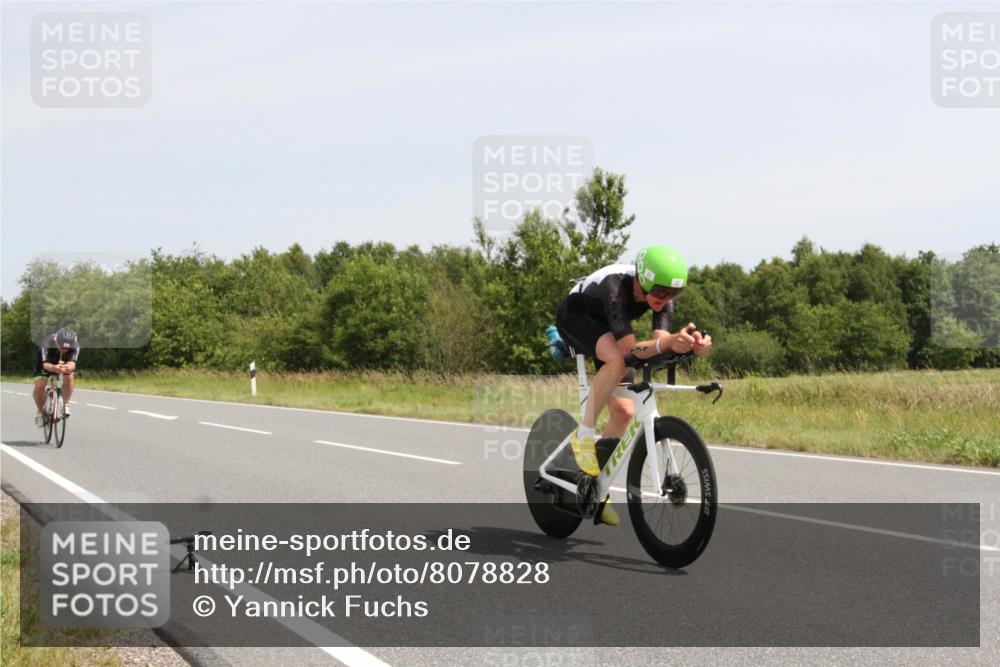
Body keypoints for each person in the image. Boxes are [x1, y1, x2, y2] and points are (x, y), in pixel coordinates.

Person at [555, 245, 712, 525]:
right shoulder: (616, 285)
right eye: (661, 291)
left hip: (610, 326)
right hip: (577, 317)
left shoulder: (661, 298)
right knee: (618, 361)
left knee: (624, 412)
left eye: (673, 293)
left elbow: (660, 344)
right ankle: (584, 435)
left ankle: (595, 487)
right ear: (644, 279)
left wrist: (690, 347)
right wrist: (666, 342)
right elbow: (629, 351)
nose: (666, 299)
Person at [33, 327, 79, 427]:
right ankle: (40, 412)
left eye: (67, 348)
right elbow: (45, 365)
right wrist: (54, 368)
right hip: (45, 364)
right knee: (39, 386)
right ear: (56, 340)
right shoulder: (47, 342)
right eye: (61, 347)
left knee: (70, 377)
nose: (63, 350)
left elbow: (72, 364)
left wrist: (68, 367)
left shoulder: (75, 345)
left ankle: (65, 404)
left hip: (63, 364)